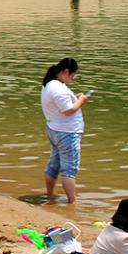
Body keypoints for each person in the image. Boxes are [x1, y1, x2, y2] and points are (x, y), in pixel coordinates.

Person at [41, 57, 94, 205]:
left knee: (53, 165)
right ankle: (72, 202)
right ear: (65, 72)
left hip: (54, 129)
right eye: (73, 74)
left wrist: (76, 99)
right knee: (69, 170)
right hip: (67, 133)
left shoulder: (49, 84)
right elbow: (68, 110)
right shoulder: (58, 89)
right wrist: (82, 100)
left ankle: (50, 195)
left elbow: (61, 105)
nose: (74, 77)